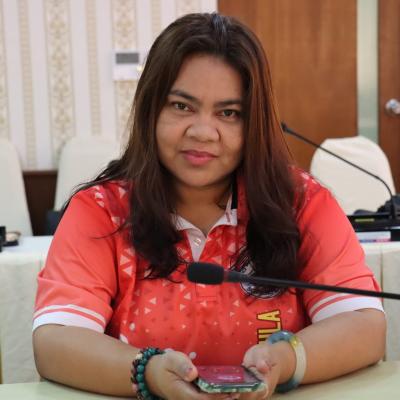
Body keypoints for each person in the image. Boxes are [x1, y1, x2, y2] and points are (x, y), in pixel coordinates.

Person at [33, 12, 386, 400]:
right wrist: (148, 373)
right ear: (151, 110)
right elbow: (56, 340)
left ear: (253, 123)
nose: (203, 132)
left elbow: (362, 324)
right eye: (181, 107)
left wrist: (285, 361)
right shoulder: (101, 209)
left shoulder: (301, 203)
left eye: (228, 113)